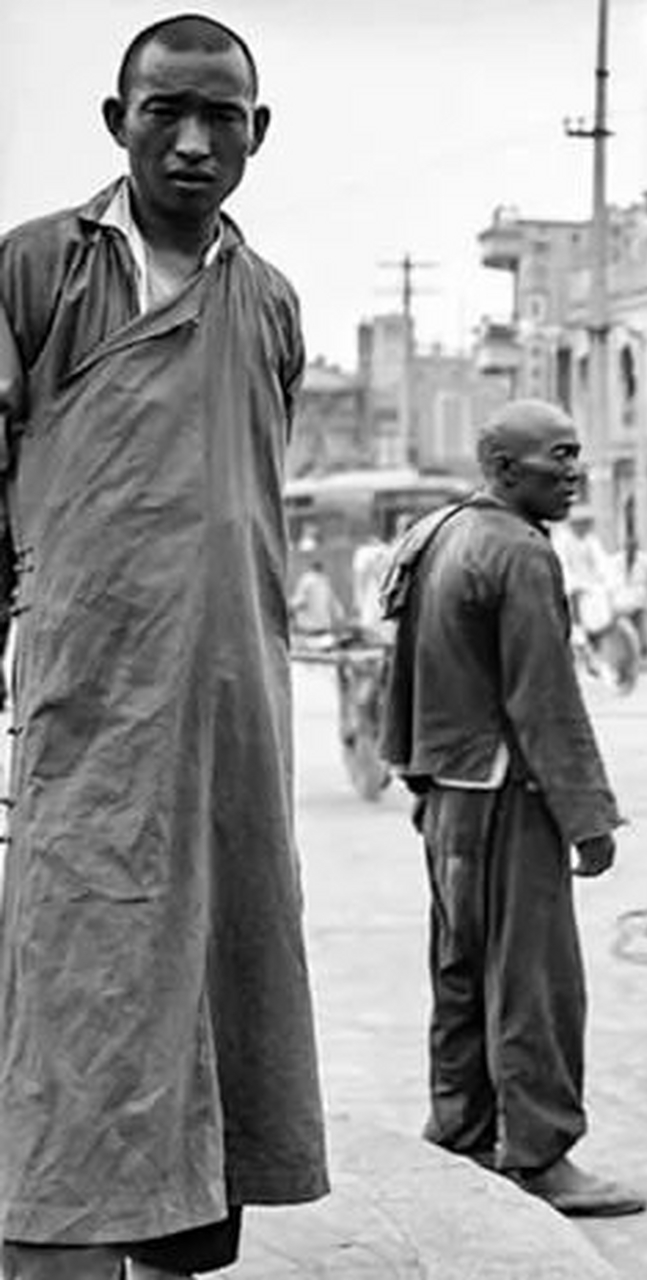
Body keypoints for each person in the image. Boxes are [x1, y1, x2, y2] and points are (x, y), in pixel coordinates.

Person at [0, 15, 328, 1276]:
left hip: (236, 700)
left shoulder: (273, 302)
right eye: (164, 113)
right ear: (116, 121)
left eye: (223, 118)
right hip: (95, 701)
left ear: (257, 131)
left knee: (220, 963)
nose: (193, 142)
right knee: (83, 977)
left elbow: (244, 493)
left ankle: (175, 1238)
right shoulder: (39, 272)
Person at [379, 400, 645, 1217]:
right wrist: (587, 816)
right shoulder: (520, 553)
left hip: (448, 795)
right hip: (504, 797)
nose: (573, 473)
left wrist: (416, 777)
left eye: (576, 455)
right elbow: (544, 698)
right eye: (556, 457)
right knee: (534, 982)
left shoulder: (437, 534)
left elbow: (403, 677)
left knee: (461, 971)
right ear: (503, 468)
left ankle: (459, 1131)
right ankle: (540, 1154)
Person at [289, 558, 343, 637]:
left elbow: (299, 602)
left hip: (308, 629)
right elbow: (337, 608)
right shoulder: (325, 581)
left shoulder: (306, 579)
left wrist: (288, 607)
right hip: (325, 628)